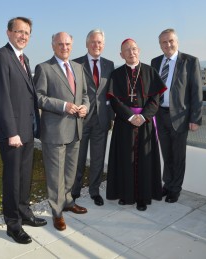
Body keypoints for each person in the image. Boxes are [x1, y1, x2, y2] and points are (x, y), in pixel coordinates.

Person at [0, 17, 46, 245]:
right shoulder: (0, 57)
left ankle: (24, 212)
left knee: (24, 176)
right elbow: (1, 98)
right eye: (19, 31)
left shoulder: (24, 58)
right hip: (13, 132)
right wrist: (12, 132)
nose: (23, 36)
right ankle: (13, 225)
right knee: (12, 180)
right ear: (8, 33)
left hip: (27, 129)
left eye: (27, 33)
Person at [34, 32, 90, 231]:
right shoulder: (44, 68)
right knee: (55, 175)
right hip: (55, 131)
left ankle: (67, 201)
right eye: (60, 44)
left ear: (72, 45)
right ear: (53, 46)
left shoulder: (78, 68)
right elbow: (39, 98)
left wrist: (85, 107)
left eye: (67, 44)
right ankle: (57, 212)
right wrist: (63, 105)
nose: (64, 47)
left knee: (70, 172)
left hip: (75, 129)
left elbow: (84, 95)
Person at [106, 38, 166, 211]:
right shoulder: (117, 74)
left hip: (145, 124)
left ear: (139, 50)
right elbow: (114, 101)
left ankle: (142, 197)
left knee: (144, 161)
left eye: (133, 49)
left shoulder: (150, 71)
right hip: (124, 123)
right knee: (125, 159)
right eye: (126, 50)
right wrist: (131, 117)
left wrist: (144, 116)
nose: (131, 52)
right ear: (121, 54)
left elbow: (155, 100)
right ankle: (125, 195)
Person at [151, 28, 203, 203]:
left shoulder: (190, 61)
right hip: (160, 115)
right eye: (164, 42)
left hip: (180, 117)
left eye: (171, 41)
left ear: (177, 42)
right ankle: (167, 185)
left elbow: (197, 92)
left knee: (178, 155)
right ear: (160, 45)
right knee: (166, 153)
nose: (168, 45)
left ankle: (175, 189)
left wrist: (195, 118)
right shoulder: (155, 61)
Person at [71, 29, 115, 206]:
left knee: (98, 158)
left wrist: (111, 116)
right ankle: (74, 190)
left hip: (101, 120)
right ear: (87, 43)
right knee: (78, 158)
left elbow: (111, 92)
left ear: (103, 45)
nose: (97, 45)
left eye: (100, 43)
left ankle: (94, 191)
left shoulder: (109, 64)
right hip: (81, 119)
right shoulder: (76, 64)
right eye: (94, 42)